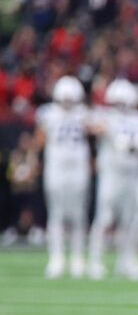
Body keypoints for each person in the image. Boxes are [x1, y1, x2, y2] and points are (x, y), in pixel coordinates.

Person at [86, 79, 138, 279]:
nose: (121, 107)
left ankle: (127, 261)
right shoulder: (105, 117)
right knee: (105, 218)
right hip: (112, 175)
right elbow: (93, 126)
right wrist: (112, 133)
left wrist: (136, 143)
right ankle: (96, 261)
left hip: (132, 176)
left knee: (130, 221)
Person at [33, 76, 92, 279]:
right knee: (56, 214)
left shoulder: (84, 114)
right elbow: (39, 140)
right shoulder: (48, 113)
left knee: (78, 214)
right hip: (56, 167)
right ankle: (57, 258)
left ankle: (77, 258)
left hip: (77, 168)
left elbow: (96, 128)